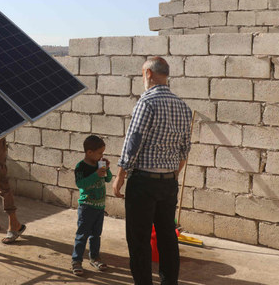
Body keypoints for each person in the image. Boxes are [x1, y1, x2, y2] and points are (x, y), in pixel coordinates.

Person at [112, 57, 192, 285]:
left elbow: (133, 142)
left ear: (148, 74)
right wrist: (171, 175)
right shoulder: (182, 106)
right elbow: (185, 150)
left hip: (143, 182)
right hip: (168, 182)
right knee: (167, 237)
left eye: (142, 74)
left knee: (139, 240)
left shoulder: (146, 102)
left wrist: (120, 175)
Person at [71, 135, 113, 276]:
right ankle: (76, 261)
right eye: (100, 153)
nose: (102, 155)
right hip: (86, 207)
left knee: (96, 235)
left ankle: (94, 258)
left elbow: (107, 179)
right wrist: (96, 174)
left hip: (99, 207)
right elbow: (81, 184)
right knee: (82, 235)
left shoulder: (99, 164)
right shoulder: (81, 167)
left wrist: (107, 168)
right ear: (89, 152)